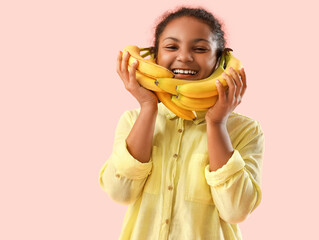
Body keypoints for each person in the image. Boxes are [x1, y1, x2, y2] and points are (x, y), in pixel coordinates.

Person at [99, 6, 265, 240]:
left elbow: (235, 210)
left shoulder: (245, 130)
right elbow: (119, 193)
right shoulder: (132, 120)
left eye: (199, 48)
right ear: (155, 57)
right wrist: (148, 107)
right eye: (171, 46)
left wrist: (216, 124)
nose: (184, 56)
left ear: (219, 61)